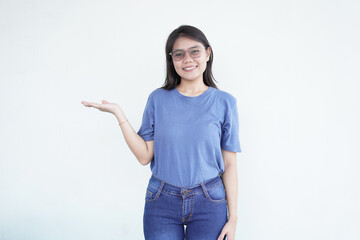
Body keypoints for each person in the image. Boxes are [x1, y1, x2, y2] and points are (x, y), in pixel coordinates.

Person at [81, 25, 241, 240]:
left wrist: (233, 218)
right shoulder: (157, 99)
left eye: (195, 51)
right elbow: (144, 156)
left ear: (207, 53)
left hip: (209, 202)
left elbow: (229, 164)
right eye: (179, 54)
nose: (187, 59)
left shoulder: (225, 103)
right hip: (162, 200)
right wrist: (119, 114)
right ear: (172, 59)